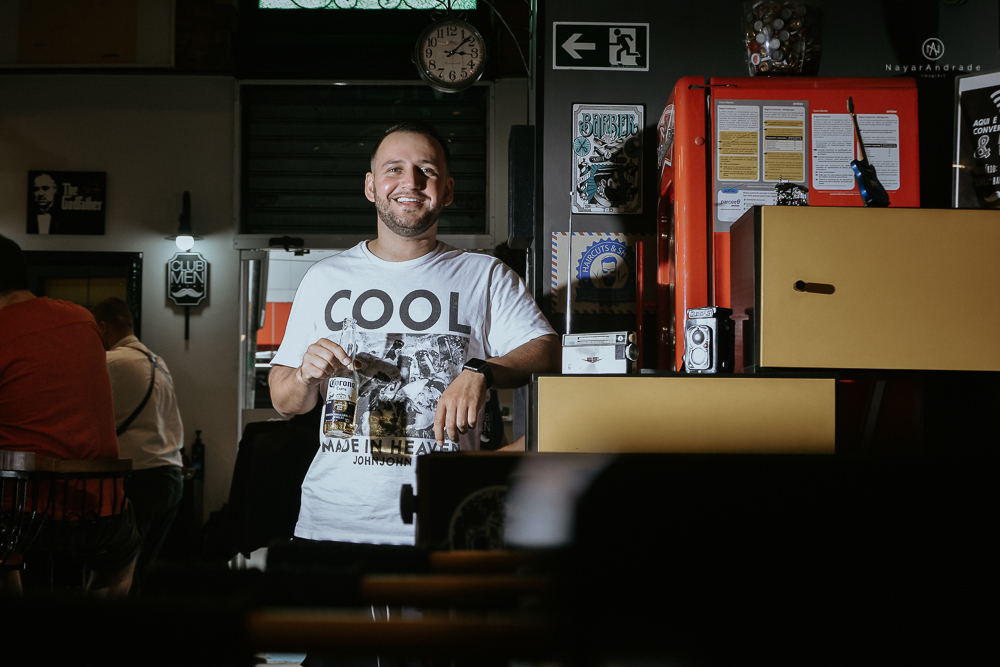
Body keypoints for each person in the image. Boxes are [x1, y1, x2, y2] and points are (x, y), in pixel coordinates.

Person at [269, 120, 559, 547]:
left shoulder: (485, 275)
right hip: (333, 523)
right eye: (394, 169)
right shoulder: (324, 278)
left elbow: (548, 351)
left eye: (427, 170)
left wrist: (481, 371)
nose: (411, 182)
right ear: (371, 186)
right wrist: (303, 376)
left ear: (448, 190)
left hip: (445, 519)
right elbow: (284, 402)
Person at [0, 234, 139, 597]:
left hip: (16, 513)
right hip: (98, 508)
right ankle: (86, 630)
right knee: (119, 567)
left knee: (5, 557)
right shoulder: (82, 318)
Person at [90, 297, 185, 597]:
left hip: (139, 477)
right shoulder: (157, 362)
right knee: (140, 569)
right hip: (170, 477)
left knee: (120, 572)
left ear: (102, 327)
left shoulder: (111, 362)